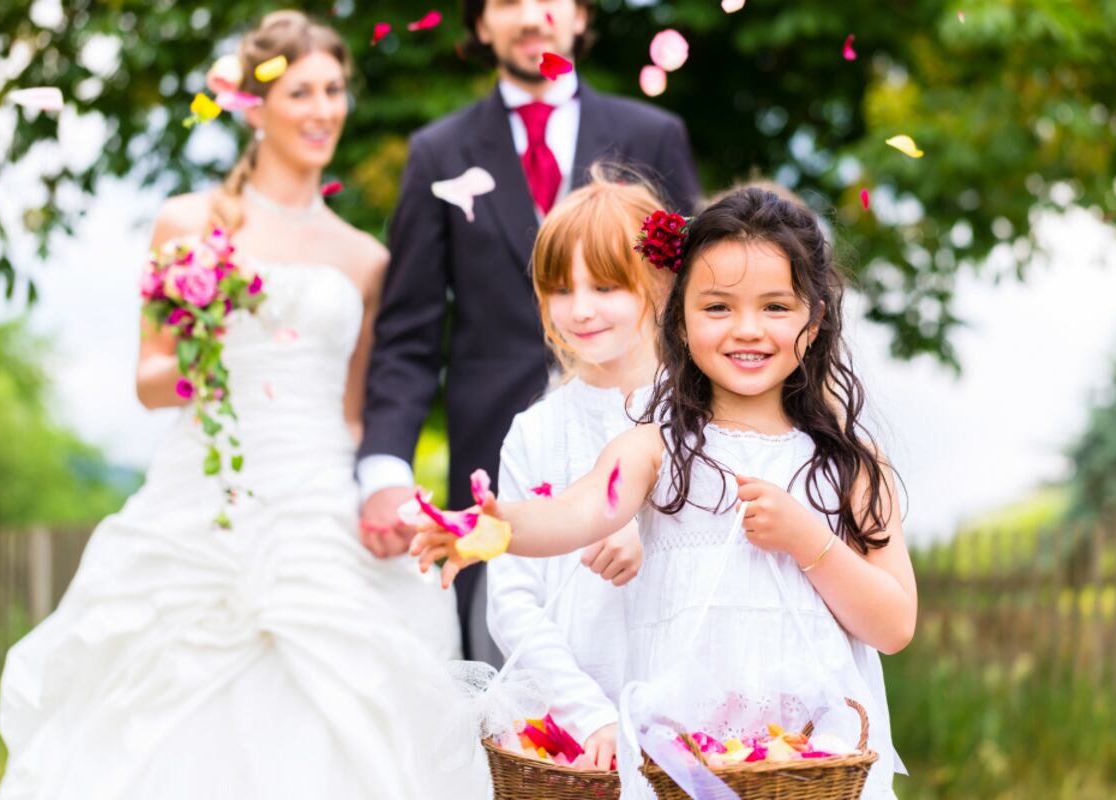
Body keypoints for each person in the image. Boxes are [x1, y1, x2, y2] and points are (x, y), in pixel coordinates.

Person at [0, 12, 483, 799]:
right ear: (256, 105)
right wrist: (204, 354)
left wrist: (387, 496)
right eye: (302, 91)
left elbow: (359, 415)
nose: (325, 109)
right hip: (204, 490)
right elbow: (148, 380)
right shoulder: (187, 226)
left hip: (320, 494)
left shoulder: (367, 257)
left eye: (334, 90)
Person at [414, 185, 914, 796]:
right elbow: (576, 513)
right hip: (684, 769)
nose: (747, 329)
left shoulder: (852, 465)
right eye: (718, 307)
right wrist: (491, 528)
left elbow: (893, 626)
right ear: (678, 318)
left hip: (815, 767)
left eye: (776, 307)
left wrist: (808, 540)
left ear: (814, 321)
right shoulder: (653, 450)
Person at [357, 0, 700, 663]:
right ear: (481, 25)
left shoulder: (653, 135)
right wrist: (383, 468)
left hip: (644, 449)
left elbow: (691, 302)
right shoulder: (437, 152)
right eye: (506, 1)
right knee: (504, 651)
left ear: (579, 15)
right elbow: (408, 331)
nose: (530, 16)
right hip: (497, 450)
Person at [487, 165, 672, 771]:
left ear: (654, 282)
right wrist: (586, 712)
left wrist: (639, 522)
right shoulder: (534, 432)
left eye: (606, 287)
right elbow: (512, 599)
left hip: (683, 711)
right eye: (562, 289)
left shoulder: (699, 416)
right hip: (574, 732)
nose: (581, 309)